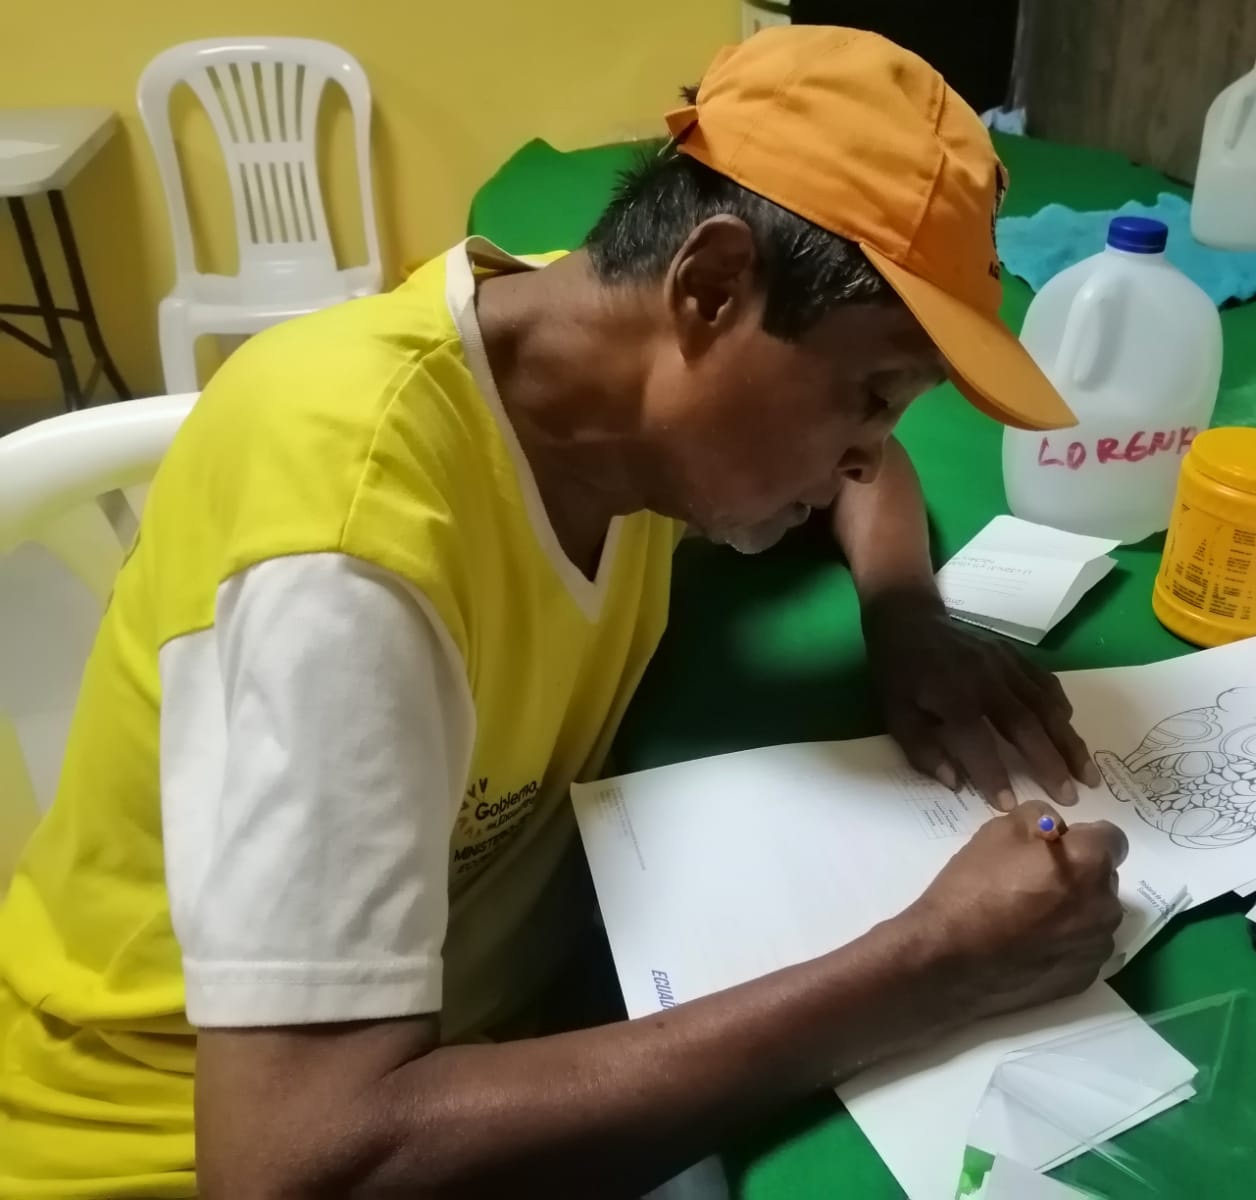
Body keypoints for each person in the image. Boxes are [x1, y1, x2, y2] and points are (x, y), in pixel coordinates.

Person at [0, 25, 1127, 1198]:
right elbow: (294, 1166)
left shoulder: (591, 346)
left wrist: (904, 614)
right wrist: (929, 967)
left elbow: (867, 476)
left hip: (465, 1021)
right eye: (871, 393)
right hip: (154, 1149)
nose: (865, 452)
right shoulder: (350, 555)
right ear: (710, 287)